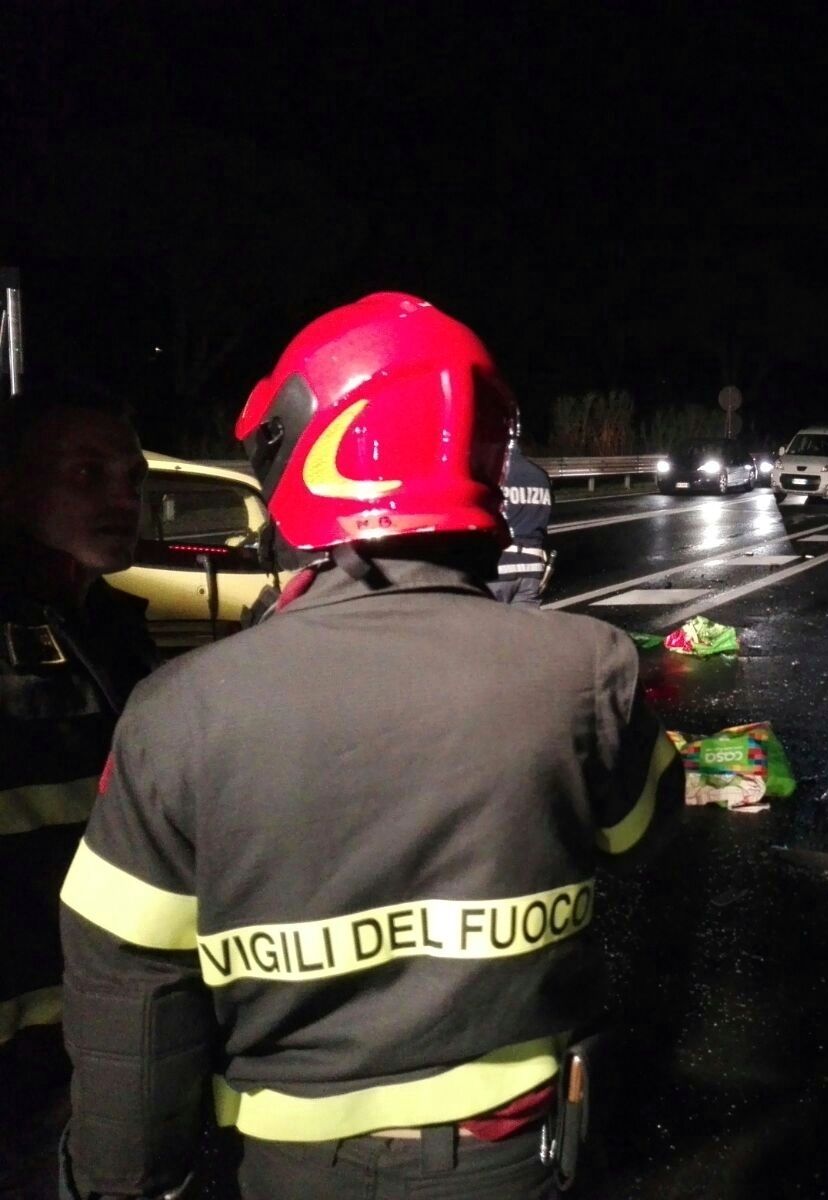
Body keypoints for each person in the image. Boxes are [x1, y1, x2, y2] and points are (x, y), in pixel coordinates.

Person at [57, 294, 684, 1200]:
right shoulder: (589, 667)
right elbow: (642, 833)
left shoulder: (176, 713)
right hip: (518, 1155)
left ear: (309, 450)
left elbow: (132, 984)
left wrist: (124, 1180)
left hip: (289, 1165)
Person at [0, 389, 156, 1189]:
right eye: (88, 474)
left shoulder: (112, 626)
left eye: (133, 479)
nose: (122, 499)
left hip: (85, 1030)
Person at [490, 442, 553, 607]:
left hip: (499, 566)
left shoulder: (494, 474)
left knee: (486, 622)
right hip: (532, 567)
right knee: (525, 623)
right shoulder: (541, 476)